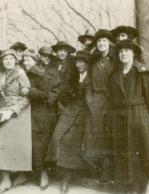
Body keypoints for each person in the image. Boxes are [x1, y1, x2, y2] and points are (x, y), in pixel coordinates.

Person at [108, 40, 149, 194]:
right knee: (122, 149)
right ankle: (127, 185)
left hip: (137, 115)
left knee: (139, 149)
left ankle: (140, 186)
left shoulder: (141, 71)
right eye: (121, 51)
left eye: (127, 50)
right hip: (119, 116)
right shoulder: (115, 74)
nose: (123, 53)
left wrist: (146, 113)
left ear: (133, 53)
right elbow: (111, 95)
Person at [0, 49, 32, 194]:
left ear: (15, 60)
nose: (8, 61)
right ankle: (13, 176)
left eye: (11, 59)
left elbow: (27, 98)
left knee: (4, 143)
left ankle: (6, 180)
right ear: (2, 62)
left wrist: (11, 111)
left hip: (17, 113)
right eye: (5, 59)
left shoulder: (21, 74)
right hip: (0, 110)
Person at [47, 50, 91, 194]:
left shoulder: (92, 77)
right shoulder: (72, 76)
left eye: (82, 61)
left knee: (72, 141)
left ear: (87, 62)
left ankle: (66, 179)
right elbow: (63, 95)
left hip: (86, 112)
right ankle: (61, 174)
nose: (79, 64)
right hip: (70, 110)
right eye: (77, 61)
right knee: (57, 136)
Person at [22, 49, 61, 190]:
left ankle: (44, 173)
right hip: (27, 112)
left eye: (29, 60)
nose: (26, 62)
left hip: (41, 114)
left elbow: (46, 95)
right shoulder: (23, 73)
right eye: (24, 59)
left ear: (35, 60)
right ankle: (24, 173)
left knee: (40, 144)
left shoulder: (40, 74)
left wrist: (29, 92)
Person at [84, 29, 118, 183]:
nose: (101, 44)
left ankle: (110, 171)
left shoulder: (116, 59)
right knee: (96, 135)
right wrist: (90, 101)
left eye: (104, 41)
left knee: (112, 133)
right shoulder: (93, 61)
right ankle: (97, 169)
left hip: (113, 100)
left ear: (109, 42)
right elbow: (88, 83)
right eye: (98, 42)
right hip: (97, 100)